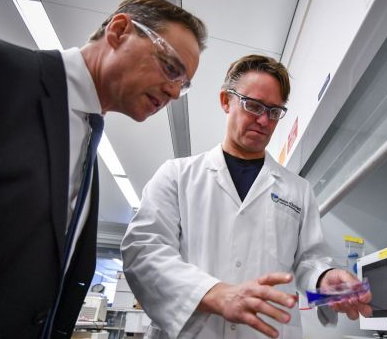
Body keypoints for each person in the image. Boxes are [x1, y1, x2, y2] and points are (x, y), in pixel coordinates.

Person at [0, 0, 206, 339]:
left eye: (184, 83)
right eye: (171, 67)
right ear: (119, 30)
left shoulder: (86, 137)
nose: (175, 92)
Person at [121, 54, 372, 339]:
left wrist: (325, 278)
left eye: (275, 111)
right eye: (253, 105)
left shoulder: (298, 190)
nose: (264, 120)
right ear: (226, 101)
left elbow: (308, 261)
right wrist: (213, 294)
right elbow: (143, 251)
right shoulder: (177, 176)